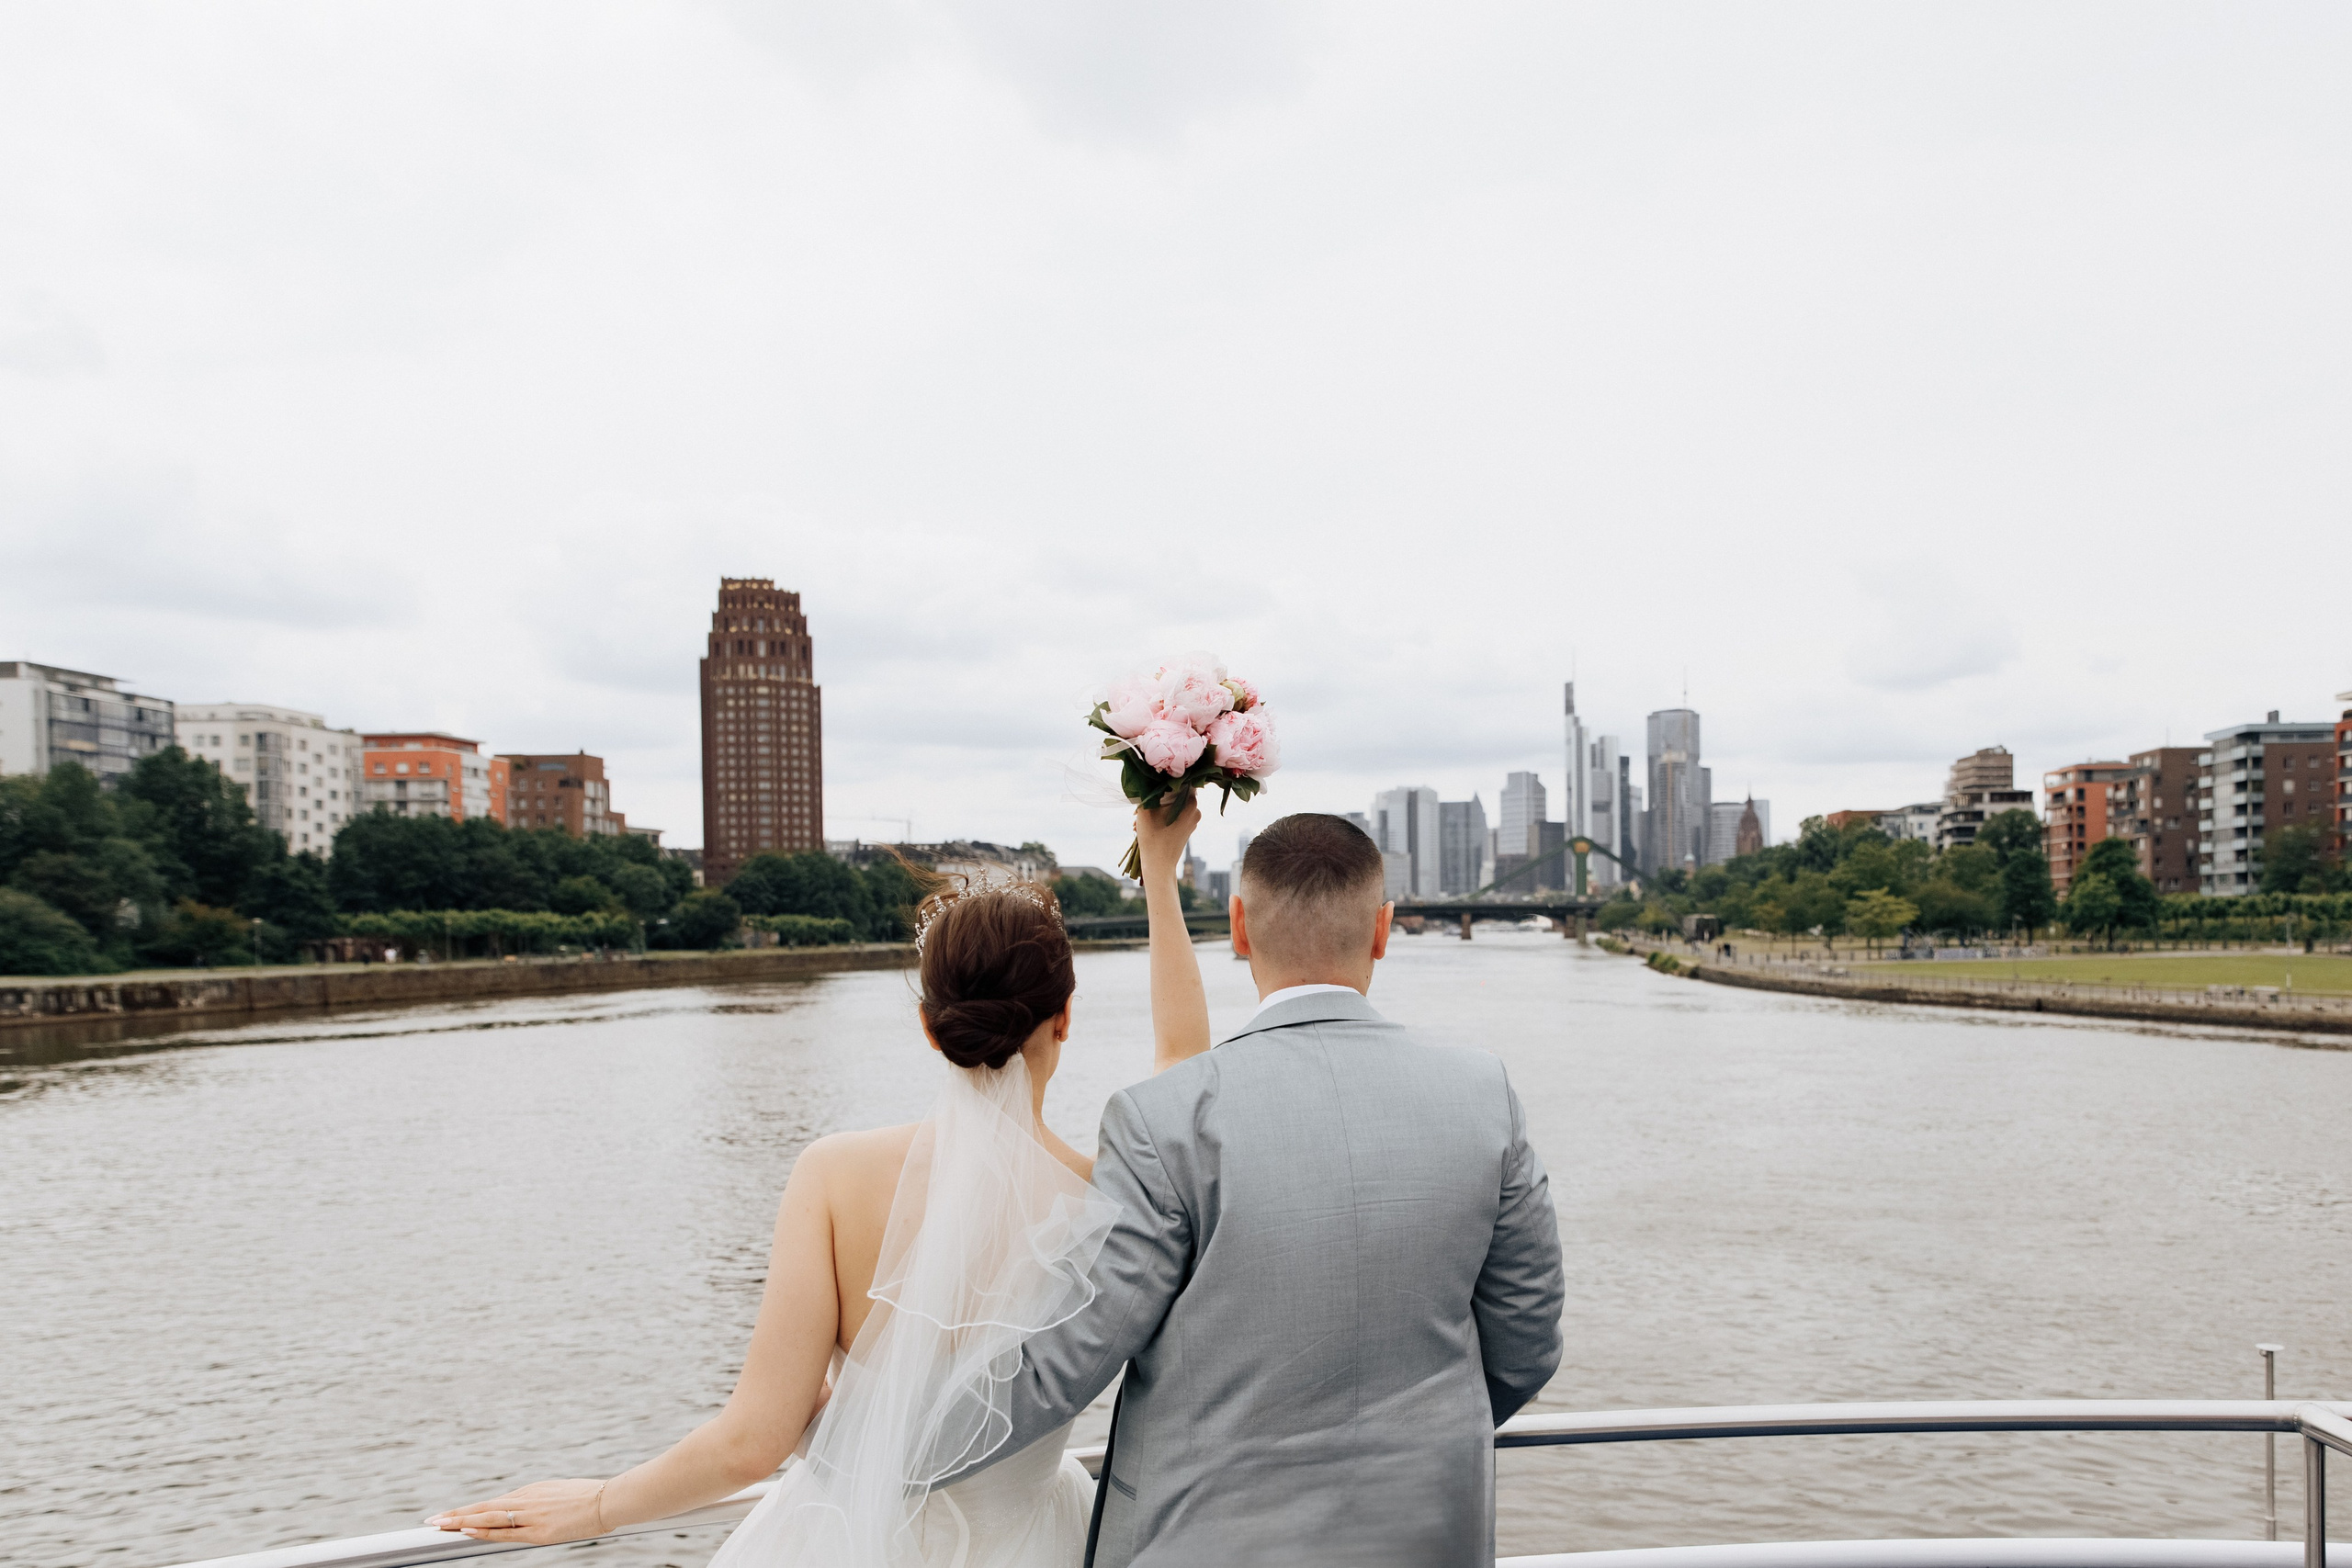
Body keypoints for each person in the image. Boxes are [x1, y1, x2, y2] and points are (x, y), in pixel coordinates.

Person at [426, 800, 1216, 1567]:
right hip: (1038, 1542)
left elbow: (753, 1442)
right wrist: (1159, 867)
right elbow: (1184, 1061)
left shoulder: (833, 1177)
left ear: (930, 1025)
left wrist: (597, 1506)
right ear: (1066, 1017)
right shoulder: (1104, 1196)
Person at [940, 811, 1566, 1567]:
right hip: (1427, 1532)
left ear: (1237, 927)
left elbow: (1063, 1361)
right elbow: (1526, 1336)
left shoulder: (1162, 1118)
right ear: (1383, 929)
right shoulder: (1483, 1093)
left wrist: (866, 1451)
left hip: (1203, 1539)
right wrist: (1423, 1433)